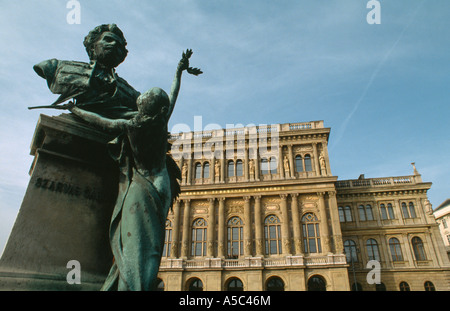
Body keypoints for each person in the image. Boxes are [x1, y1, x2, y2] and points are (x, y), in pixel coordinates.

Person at [63, 49, 201, 290]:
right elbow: (173, 93)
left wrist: (76, 110)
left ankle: (132, 284)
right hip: (162, 183)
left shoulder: (133, 125)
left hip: (141, 185)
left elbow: (102, 122)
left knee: (135, 243)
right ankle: (138, 282)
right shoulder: (161, 120)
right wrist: (179, 70)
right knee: (151, 242)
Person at [32, 24, 140, 119]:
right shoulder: (58, 67)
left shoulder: (132, 94)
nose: (114, 45)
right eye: (108, 40)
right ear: (93, 46)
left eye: (119, 45)